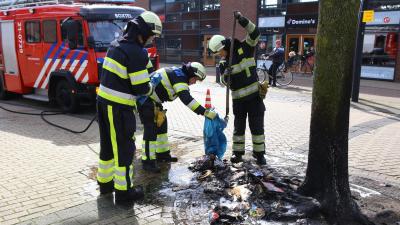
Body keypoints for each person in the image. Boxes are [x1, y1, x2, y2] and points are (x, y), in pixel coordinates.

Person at [96, 11, 162, 204]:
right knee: (125, 149)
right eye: (152, 35)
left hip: (103, 104)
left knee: (107, 147)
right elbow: (142, 87)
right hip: (120, 110)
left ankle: (105, 185)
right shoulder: (137, 52)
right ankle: (124, 193)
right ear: (143, 31)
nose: (151, 39)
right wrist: (151, 86)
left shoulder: (116, 44)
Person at [208, 12, 266, 165]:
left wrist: (242, 20)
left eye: (219, 52)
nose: (219, 55)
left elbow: (255, 33)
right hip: (238, 101)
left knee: (257, 128)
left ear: (224, 46)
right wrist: (227, 76)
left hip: (254, 98)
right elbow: (224, 81)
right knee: (238, 129)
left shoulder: (245, 47)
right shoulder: (223, 64)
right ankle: (237, 154)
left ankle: (259, 155)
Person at [137, 62, 217, 172]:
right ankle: (148, 162)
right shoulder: (180, 78)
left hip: (153, 102)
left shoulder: (179, 74)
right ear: (191, 74)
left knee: (162, 127)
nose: (194, 83)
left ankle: (162, 155)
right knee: (150, 131)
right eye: (195, 79)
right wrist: (204, 112)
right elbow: (187, 99)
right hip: (145, 101)